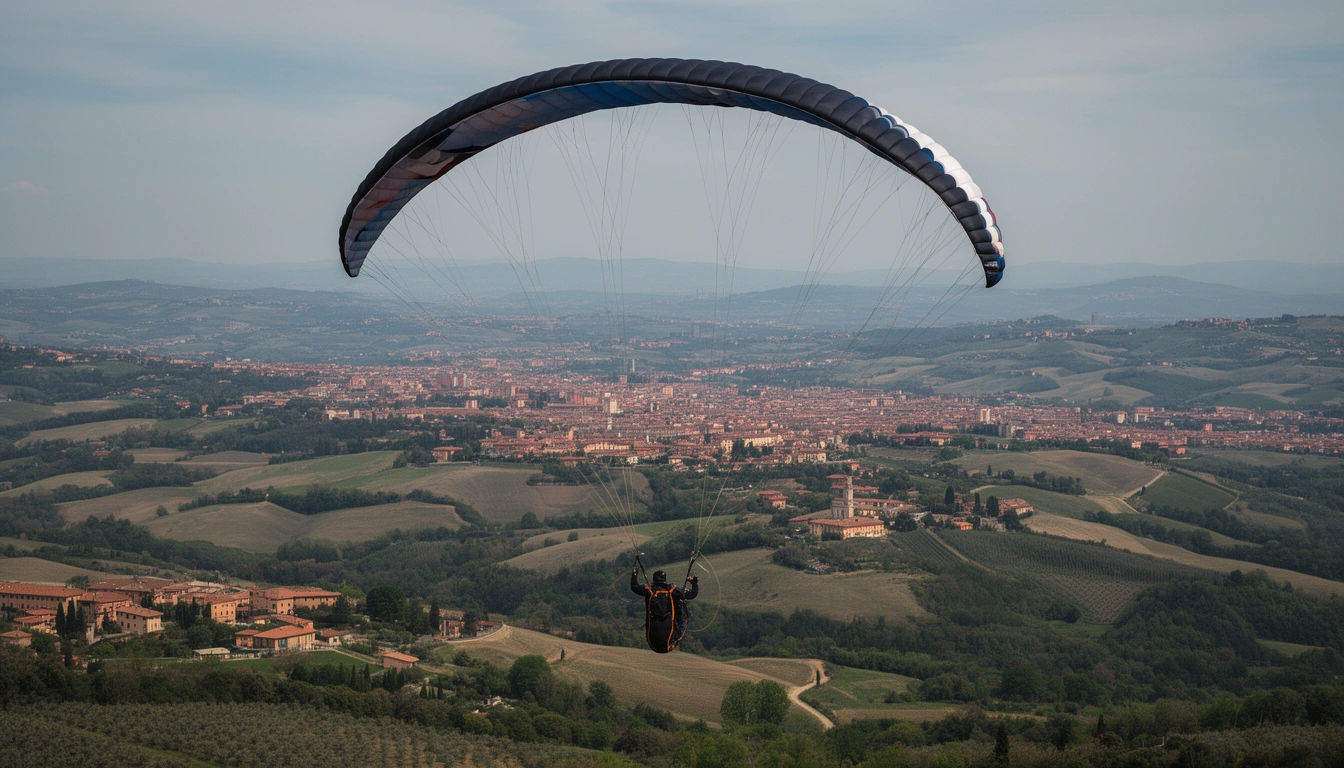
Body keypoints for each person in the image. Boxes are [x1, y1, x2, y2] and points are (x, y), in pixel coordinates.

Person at [630, 567, 698, 653]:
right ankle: (677, 634)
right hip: (669, 643)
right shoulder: (673, 590)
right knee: (683, 612)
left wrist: (634, 574)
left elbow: (634, 587)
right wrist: (694, 583)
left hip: (652, 642)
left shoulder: (648, 590)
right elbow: (692, 594)